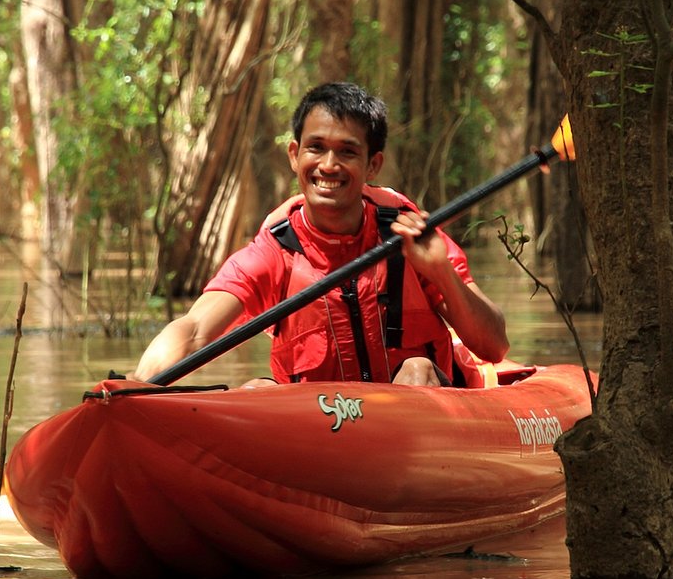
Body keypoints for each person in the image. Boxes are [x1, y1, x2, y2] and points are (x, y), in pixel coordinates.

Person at [131, 81, 509, 387]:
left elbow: (493, 346)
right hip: (327, 428)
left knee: (416, 369)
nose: (328, 166)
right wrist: (138, 384)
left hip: (422, 409)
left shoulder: (409, 235)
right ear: (295, 155)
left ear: (372, 165)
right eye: (316, 148)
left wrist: (440, 270)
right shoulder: (273, 252)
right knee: (257, 392)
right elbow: (194, 329)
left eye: (347, 152)